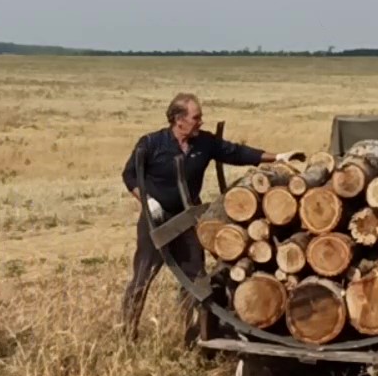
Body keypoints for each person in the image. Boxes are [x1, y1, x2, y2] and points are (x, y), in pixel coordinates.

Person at [119, 92, 304, 342]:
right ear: (178, 120)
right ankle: (127, 335)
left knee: (195, 279)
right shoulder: (151, 144)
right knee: (143, 276)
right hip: (156, 221)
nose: (201, 122)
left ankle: (193, 336)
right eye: (196, 117)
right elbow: (129, 175)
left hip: (187, 221)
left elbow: (236, 152)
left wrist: (278, 157)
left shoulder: (204, 143)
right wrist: (146, 200)